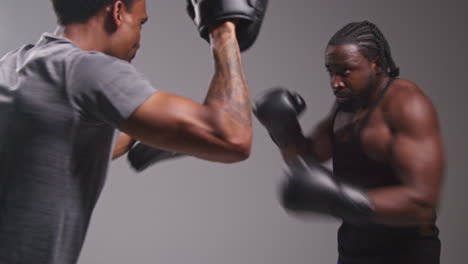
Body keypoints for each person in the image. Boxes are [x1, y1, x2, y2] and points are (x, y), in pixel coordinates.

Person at [0, 0, 268, 263]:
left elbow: (51, 145)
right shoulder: (88, 70)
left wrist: (152, 134)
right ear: (117, 11)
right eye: (141, 23)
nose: (139, 39)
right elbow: (232, 136)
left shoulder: (15, 64)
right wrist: (222, 30)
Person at [254, 21, 445, 264]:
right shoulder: (347, 104)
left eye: (345, 71)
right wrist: (283, 129)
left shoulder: (407, 106)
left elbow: (422, 203)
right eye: (330, 71)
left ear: (375, 64)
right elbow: (305, 160)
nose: (335, 82)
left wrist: (343, 198)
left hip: (406, 255)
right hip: (353, 250)